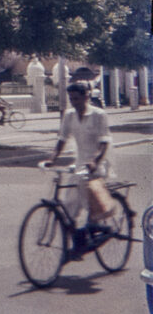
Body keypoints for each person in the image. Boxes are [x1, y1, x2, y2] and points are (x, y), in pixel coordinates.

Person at [44, 81, 114, 249]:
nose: (74, 102)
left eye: (76, 99)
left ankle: (101, 230)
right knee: (68, 208)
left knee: (91, 208)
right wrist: (52, 158)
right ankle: (78, 243)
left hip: (96, 166)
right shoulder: (69, 115)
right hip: (79, 165)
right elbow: (62, 139)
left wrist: (94, 161)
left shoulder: (98, 115)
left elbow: (104, 142)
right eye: (71, 99)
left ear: (86, 96)